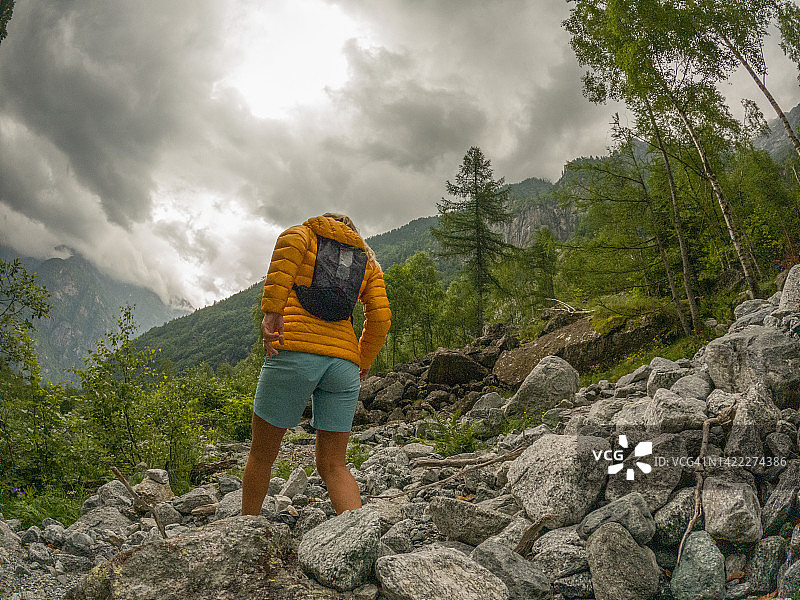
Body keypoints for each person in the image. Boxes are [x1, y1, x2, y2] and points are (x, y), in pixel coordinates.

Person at [241, 213, 391, 516]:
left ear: (327, 223)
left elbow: (288, 240)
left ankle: (245, 530)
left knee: (262, 456)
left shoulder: (307, 235)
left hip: (295, 350)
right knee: (334, 465)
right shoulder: (366, 262)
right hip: (343, 364)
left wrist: (272, 311)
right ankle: (358, 535)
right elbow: (380, 318)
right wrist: (363, 359)